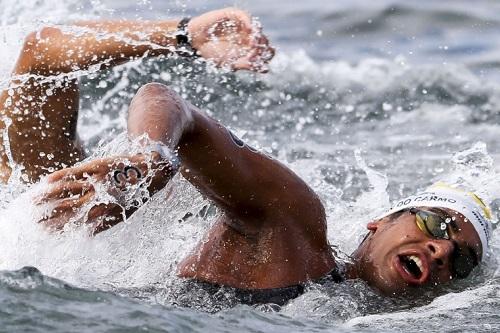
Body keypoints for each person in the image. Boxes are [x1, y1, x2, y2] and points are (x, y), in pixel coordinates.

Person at [0, 7, 493, 306]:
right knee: (44, 62)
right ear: (378, 222)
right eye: (436, 225)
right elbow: (169, 105)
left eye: (463, 260)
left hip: (76, 257)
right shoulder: (294, 228)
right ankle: (184, 33)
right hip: (80, 223)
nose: (443, 250)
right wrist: (146, 157)